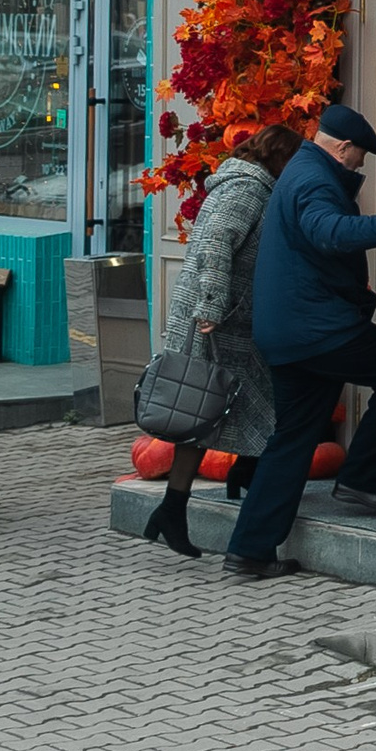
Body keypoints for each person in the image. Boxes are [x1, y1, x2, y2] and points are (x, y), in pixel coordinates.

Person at [221, 102, 376, 580]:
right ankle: (360, 479)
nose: (360, 167)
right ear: (343, 147)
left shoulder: (299, 168)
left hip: (290, 333)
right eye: (359, 158)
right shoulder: (315, 179)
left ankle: (249, 550)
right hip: (317, 331)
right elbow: (330, 233)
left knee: (292, 440)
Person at [141, 122, 306, 557]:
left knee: (218, 412)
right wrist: (212, 306)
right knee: (202, 412)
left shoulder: (241, 183)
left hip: (226, 321)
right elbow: (216, 244)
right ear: (280, 158)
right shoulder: (247, 190)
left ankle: (222, 488)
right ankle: (178, 508)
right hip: (217, 324)